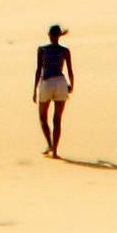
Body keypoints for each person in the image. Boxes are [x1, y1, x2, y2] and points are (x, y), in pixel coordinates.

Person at [33, 24, 73, 158]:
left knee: (42, 117)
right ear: (59, 35)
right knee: (57, 119)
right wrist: (71, 85)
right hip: (61, 83)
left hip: (46, 83)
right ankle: (55, 151)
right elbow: (70, 70)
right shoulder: (65, 50)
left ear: (49, 35)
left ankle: (49, 144)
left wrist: (34, 90)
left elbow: (38, 70)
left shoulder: (42, 49)